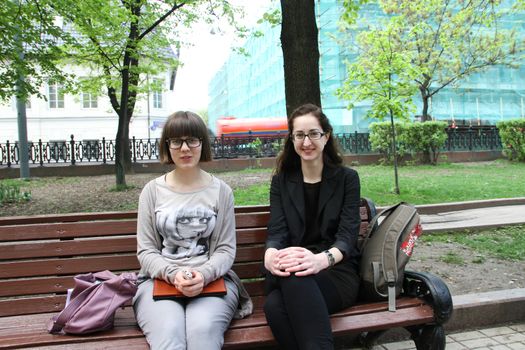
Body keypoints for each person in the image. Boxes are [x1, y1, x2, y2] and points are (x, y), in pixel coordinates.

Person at [133, 111, 252, 350]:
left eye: (192, 140)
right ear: (167, 145)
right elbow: (146, 251)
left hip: (212, 280)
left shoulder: (221, 191)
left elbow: (225, 249)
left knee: (202, 332)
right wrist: (172, 274)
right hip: (159, 281)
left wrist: (204, 275)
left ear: (202, 143)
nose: (185, 148)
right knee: (169, 333)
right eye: (176, 141)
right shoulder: (152, 191)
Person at [263, 103, 361, 349]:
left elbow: (347, 236)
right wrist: (270, 256)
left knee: (275, 306)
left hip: (336, 270)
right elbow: (277, 231)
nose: (306, 142)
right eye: (299, 135)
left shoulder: (347, 179)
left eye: (313, 134)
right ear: (292, 139)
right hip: (291, 269)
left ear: (326, 136)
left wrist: (320, 260)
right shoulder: (281, 181)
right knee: (287, 287)